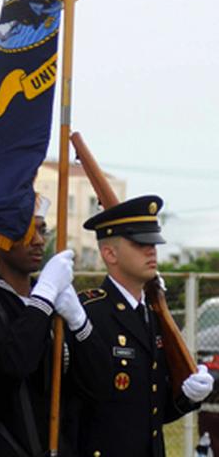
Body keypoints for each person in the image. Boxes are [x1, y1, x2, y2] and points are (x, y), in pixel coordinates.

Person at [0, 195, 111, 456]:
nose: (39, 241)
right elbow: (14, 363)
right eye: (27, 232)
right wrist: (43, 298)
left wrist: (79, 321)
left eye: (42, 230)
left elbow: (100, 381)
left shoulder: (55, 301)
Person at [74, 195, 214, 457]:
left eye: (153, 243)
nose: (152, 250)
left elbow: (148, 411)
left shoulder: (152, 314)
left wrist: (186, 397)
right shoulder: (88, 313)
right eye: (140, 243)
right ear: (109, 253)